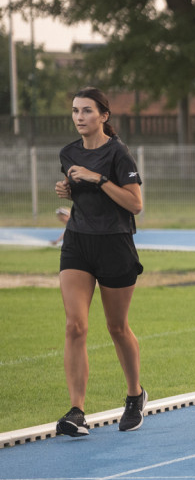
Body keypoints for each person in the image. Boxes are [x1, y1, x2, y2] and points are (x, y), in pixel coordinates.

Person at [53, 87, 146, 437]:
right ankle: (77, 411)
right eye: (75, 111)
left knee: (117, 327)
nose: (79, 117)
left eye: (87, 111)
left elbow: (135, 205)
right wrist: (68, 189)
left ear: (103, 116)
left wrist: (99, 179)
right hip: (78, 242)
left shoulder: (118, 154)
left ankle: (135, 396)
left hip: (115, 245)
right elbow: (80, 194)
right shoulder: (68, 153)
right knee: (74, 326)